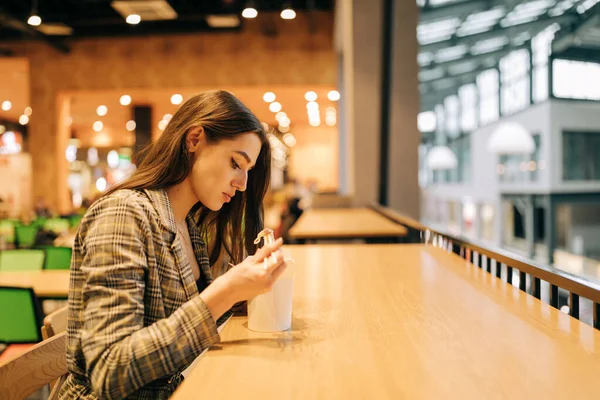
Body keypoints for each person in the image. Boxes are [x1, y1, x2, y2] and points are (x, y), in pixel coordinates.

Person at [59, 90, 289, 399]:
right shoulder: (124, 214)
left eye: (247, 171)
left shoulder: (188, 225)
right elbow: (110, 372)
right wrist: (224, 293)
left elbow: (177, 324)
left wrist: (242, 295)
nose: (243, 184)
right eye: (236, 163)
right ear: (194, 139)